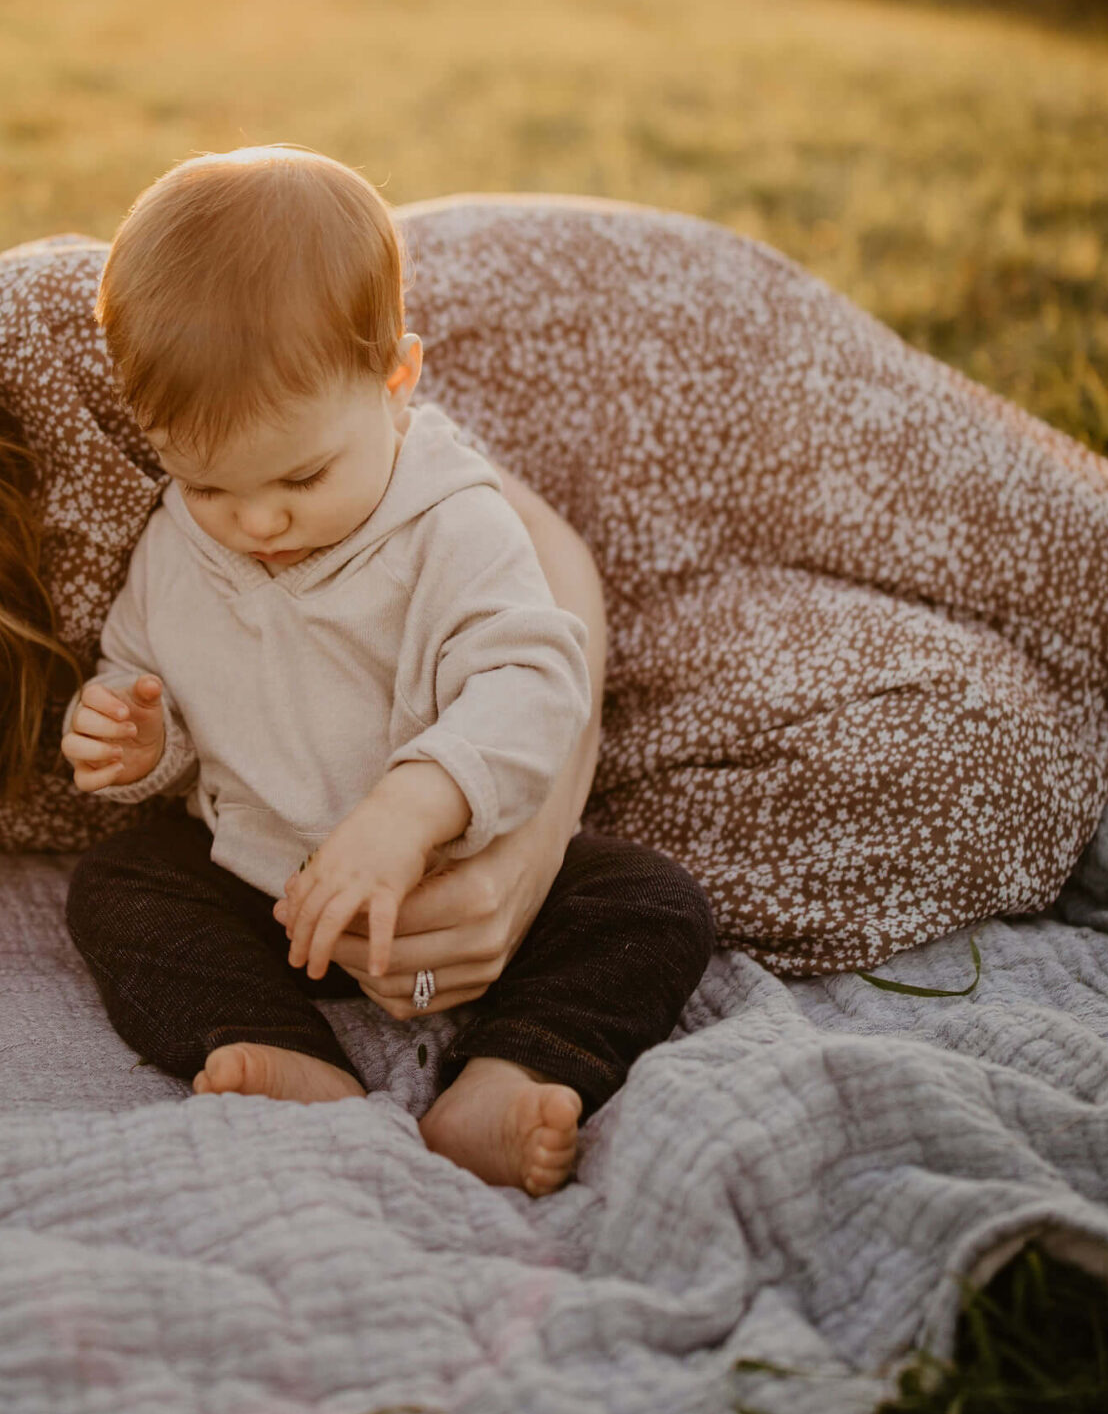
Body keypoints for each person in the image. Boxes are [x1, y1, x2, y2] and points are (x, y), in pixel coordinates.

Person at [0, 168, 1108, 1144]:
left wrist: (516, 857)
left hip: (567, 404)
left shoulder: (36, 356)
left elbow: (525, 551)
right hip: (424, 704)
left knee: (1077, 562)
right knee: (980, 765)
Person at [60, 150, 715, 1195]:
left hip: (458, 894)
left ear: (396, 380)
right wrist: (140, 742)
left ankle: (509, 1071)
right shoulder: (180, 540)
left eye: (302, 475)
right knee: (118, 888)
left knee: (651, 907)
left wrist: (415, 807)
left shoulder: (450, 521)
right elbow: (144, 677)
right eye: (209, 482)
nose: (259, 520)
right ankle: (287, 1054)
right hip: (273, 893)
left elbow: (536, 676)